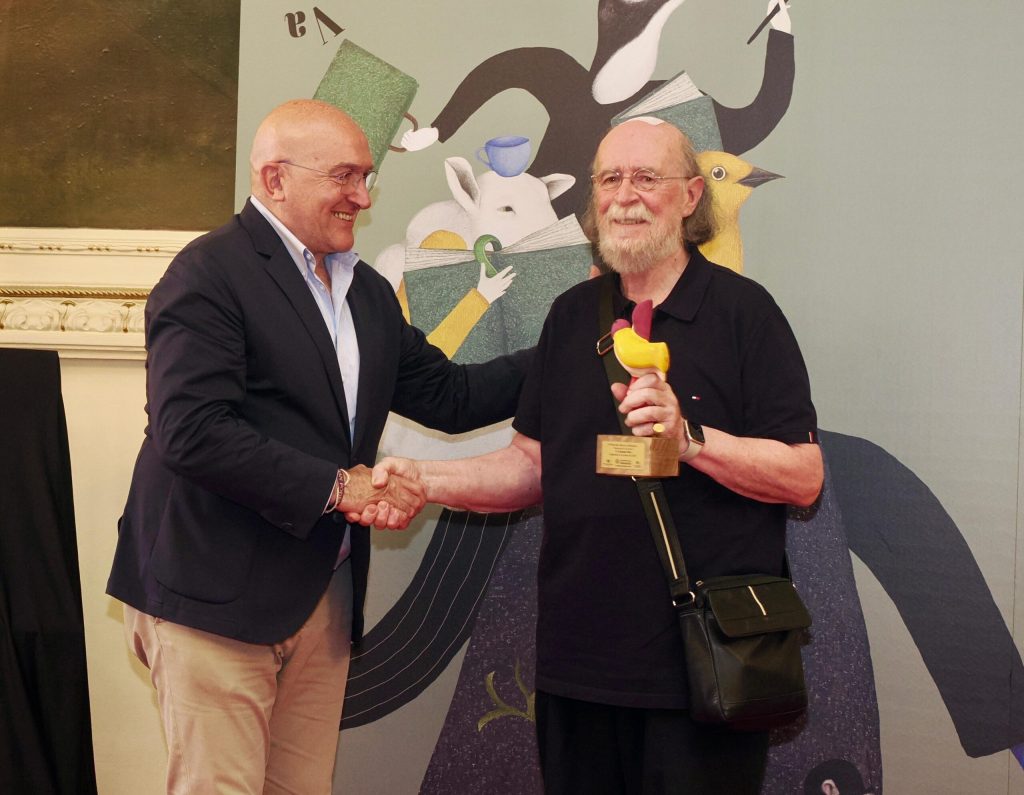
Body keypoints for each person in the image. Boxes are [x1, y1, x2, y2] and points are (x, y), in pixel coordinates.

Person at [371, 117, 823, 793]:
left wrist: (689, 440)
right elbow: (530, 467)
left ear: (691, 196)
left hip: (705, 669)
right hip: (578, 668)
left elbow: (804, 478)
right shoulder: (571, 316)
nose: (624, 195)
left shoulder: (745, 314)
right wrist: (423, 478)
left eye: (646, 177)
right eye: (609, 178)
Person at [106, 99, 531, 795]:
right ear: (275, 178)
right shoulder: (208, 273)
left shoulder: (364, 291)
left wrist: (578, 347)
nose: (362, 197)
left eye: (365, 177)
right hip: (210, 594)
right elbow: (191, 429)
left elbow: (452, 397)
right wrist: (340, 487)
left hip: (320, 598)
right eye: (344, 176)